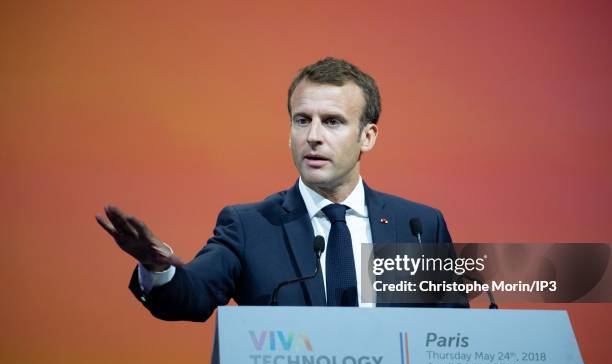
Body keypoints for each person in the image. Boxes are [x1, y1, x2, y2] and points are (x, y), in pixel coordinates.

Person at [96, 57, 467, 322]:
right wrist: (157, 267)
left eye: (333, 122)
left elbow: (454, 338)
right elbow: (191, 298)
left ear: (367, 136)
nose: (313, 136)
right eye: (302, 120)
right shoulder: (250, 226)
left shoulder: (417, 227)